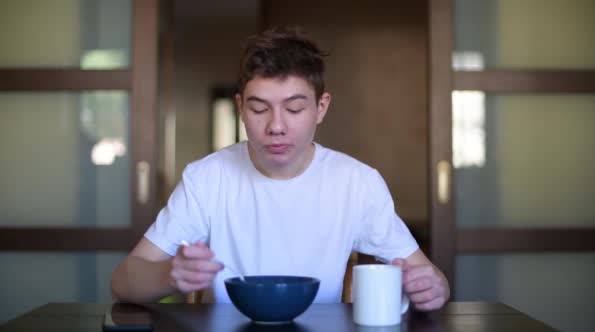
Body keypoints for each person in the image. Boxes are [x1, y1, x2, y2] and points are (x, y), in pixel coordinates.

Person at [111, 27, 450, 311]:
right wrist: (170, 274)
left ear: (321, 107)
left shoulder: (357, 182)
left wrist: (433, 287)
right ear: (241, 108)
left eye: (294, 108)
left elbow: (431, 278)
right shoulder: (206, 178)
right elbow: (124, 280)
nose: (276, 126)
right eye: (259, 109)